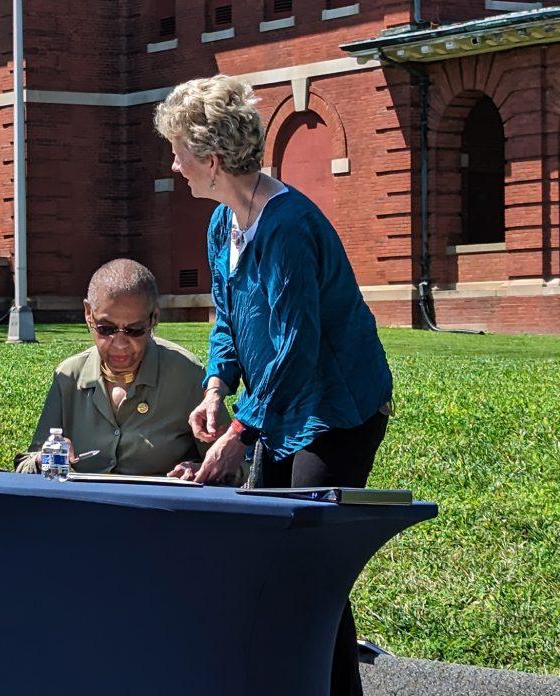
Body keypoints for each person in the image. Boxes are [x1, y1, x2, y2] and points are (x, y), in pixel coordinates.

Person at [154, 75, 394, 696]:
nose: (172, 164)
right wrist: (214, 386)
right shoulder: (221, 225)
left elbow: (295, 349)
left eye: (177, 150)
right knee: (277, 556)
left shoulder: (286, 225)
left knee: (312, 566)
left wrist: (240, 431)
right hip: (281, 407)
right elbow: (230, 320)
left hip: (337, 410)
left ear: (209, 159)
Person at [15, 259, 226, 476]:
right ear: (88, 313)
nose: (119, 344)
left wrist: (201, 470)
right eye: (106, 329)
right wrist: (43, 459)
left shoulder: (187, 374)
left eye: (134, 330)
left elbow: (233, 465)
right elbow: (26, 466)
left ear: (154, 317)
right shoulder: (68, 376)